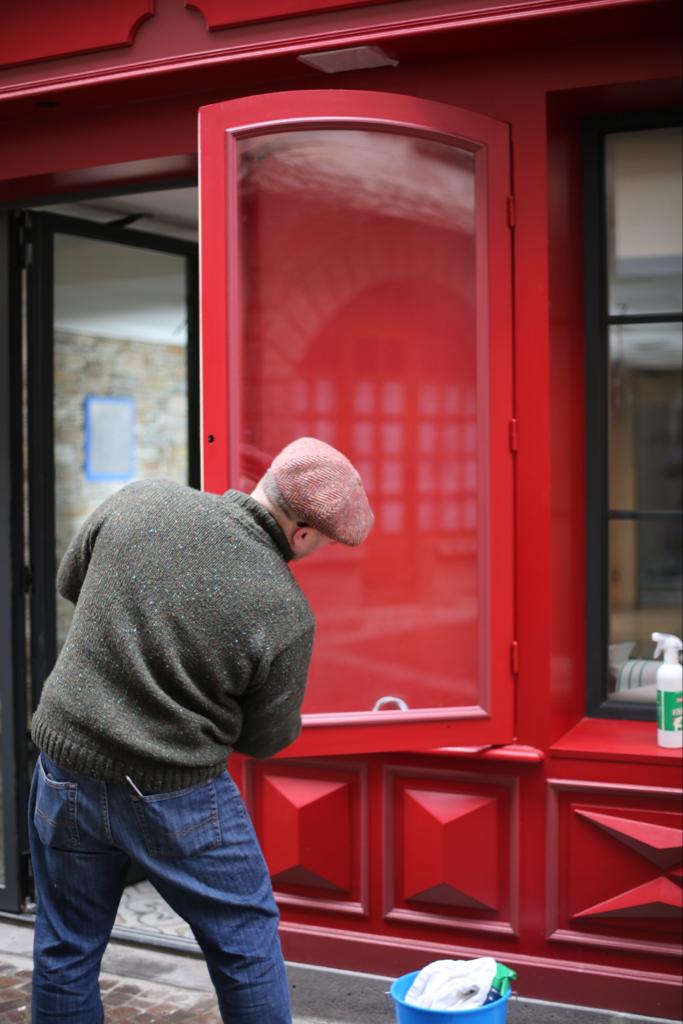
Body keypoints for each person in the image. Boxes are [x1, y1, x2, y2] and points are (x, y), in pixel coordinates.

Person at [28, 436, 374, 1024]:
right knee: (246, 944)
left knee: (67, 945)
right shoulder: (285, 611)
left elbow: (71, 584)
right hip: (175, 793)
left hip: (67, 766)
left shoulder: (140, 500)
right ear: (303, 533)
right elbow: (263, 740)